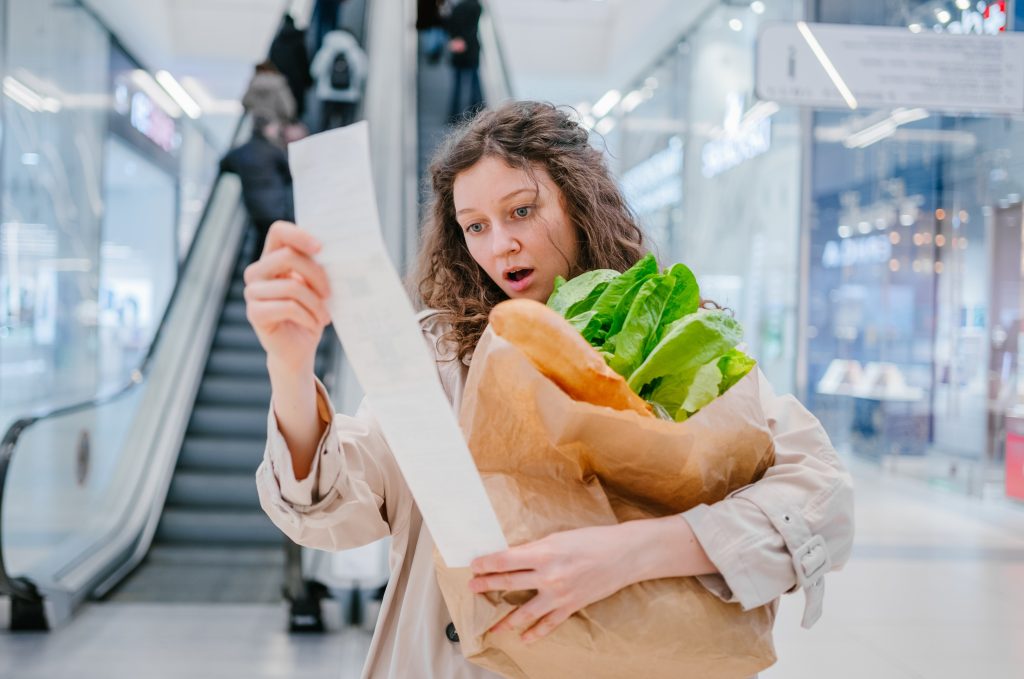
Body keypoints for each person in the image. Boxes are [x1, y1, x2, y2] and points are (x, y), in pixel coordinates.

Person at [245, 101, 854, 677]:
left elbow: (820, 499)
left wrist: (637, 551)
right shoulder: (437, 355)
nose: (499, 244)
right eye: (475, 226)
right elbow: (334, 510)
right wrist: (290, 368)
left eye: (521, 211)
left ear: (580, 203)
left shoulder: (673, 333)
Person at [219, 116, 294, 263]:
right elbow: (289, 173)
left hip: (254, 208)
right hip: (275, 206)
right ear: (267, 129)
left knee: (262, 239)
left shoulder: (241, 151)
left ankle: (256, 271)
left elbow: (223, 165)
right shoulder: (273, 150)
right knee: (277, 238)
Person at [310, 28, 368, 131]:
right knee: (347, 129)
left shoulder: (327, 50)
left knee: (325, 128)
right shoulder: (355, 51)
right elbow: (362, 72)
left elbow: (315, 71)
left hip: (328, 96)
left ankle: (324, 145)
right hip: (349, 97)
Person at [445, 0, 484, 123]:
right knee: (474, 82)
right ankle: (477, 112)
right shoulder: (476, 6)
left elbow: (450, 26)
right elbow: (472, 28)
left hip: (459, 50)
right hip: (472, 49)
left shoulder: (456, 8)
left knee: (458, 84)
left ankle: (454, 115)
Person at [269, 14, 314, 120]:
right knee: (294, 112)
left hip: (280, 83)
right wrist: (308, 81)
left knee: (282, 111)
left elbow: (271, 63)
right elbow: (303, 63)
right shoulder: (298, 41)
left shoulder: (276, 42)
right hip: (296, 83)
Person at [241, 60, 297, 127]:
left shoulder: (254, 84)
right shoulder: (279, 84)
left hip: (256, 121)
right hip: (275, 122)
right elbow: (287, 107)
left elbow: (245, 102)